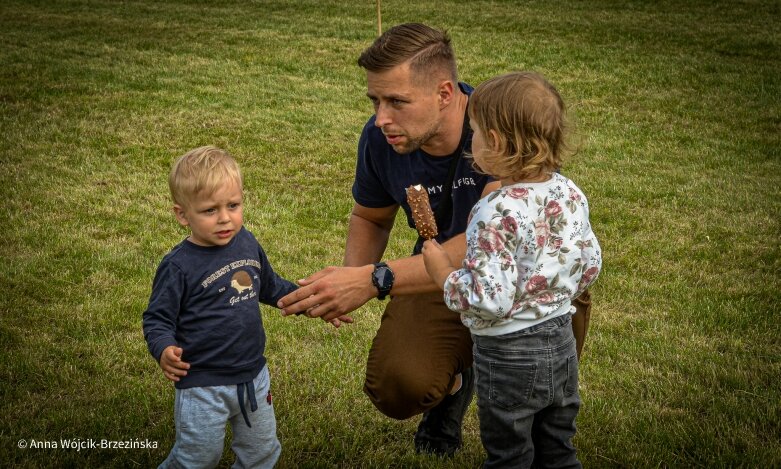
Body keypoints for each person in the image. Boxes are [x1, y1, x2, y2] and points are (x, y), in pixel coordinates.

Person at [277, 23, 591, 456]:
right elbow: (370, 216)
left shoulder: (500, 130)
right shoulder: (379, 138)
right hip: (438, 275)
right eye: (375, 100)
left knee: (559, 318)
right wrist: (348, 280)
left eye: (397, 102)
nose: (381, 117)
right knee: (398, 385)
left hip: (525, 279)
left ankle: (535, 406)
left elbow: (502, 238)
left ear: (445, 93)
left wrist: (376, 279)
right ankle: (455, 386)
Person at [422, 71, 602, 468]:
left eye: (475, 132)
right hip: (562, 342)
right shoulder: (568, 191)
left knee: (510, 454)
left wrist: (442, 274)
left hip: (509, 354)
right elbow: (590, 263)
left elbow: (488, 300)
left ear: (497, 142)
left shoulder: (494, 210)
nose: (472, 141)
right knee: (558, 448)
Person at [143, 146, 296, 468]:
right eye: (210, 210)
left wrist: (313, 300)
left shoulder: (247, 242)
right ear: (183, 215)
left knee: (262, 452)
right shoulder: (178, 266)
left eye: (233, 205)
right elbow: (157, 318)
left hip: (253, 375)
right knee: (198, 459)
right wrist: (163, 348)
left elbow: (270, 287)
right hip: (203, 383)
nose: (225, 218)